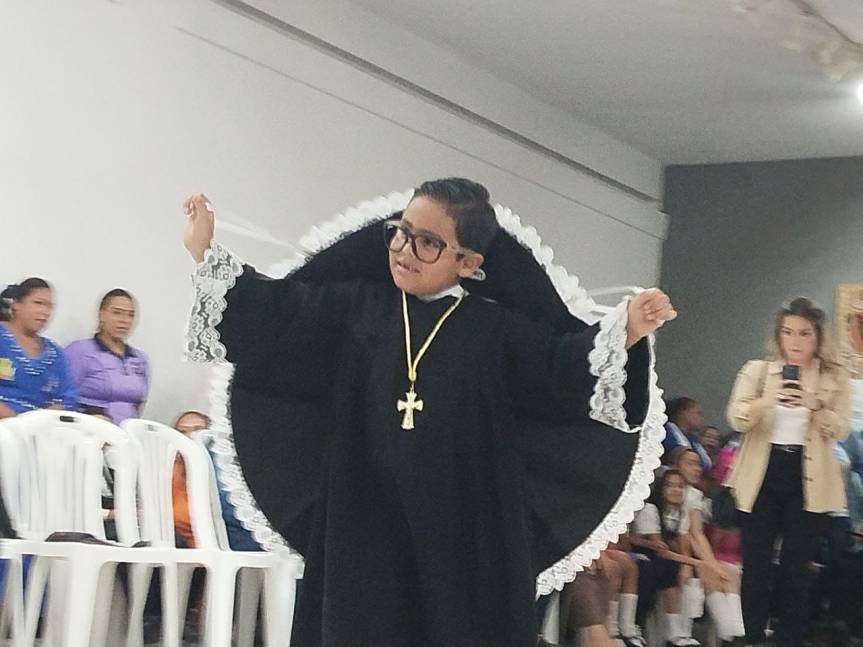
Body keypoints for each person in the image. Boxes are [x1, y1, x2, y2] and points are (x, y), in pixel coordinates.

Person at [181, 179, 677, 646]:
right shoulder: (357, 305)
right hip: (364, 514)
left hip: (463, 525)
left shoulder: (495, 329)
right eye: (400, 233)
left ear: (468, 262)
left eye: (427, 243)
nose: (404, 250)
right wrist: (205, 252)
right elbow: (278, 314)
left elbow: (564, 367)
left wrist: (627, 330)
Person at [726, 297, 850, 647]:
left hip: (808, 478)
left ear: (818, 336)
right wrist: (769, 399)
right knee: (756, 564)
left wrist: (814, 405)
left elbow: (840, 429)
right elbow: (736, 417)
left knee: (797, 567)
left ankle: (788, 638)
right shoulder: (758, 371)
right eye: (788, 332)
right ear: (778, 335)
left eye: (804, 333)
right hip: (762, 474)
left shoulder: (833, 378)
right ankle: (752, 637)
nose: (795, 341)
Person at [630, 469, 701, 647]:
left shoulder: (680, 514)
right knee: (670, 568)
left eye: (680, 486)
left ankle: (683, 632)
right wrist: (697, 563)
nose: (676, 490)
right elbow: (659, 548)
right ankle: (672, 633)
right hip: (645, 555)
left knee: (687, 574)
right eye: (670, 486)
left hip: (662, 556)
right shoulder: (651, 509)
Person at [64, 289, 149, 424]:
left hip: (126, 430)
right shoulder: (80, 351)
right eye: (117, 313)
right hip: (88, 427)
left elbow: (139, 404)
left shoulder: (139, 359)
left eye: (130, 315)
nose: (124, 320)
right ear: (101, 315)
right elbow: (62, 399)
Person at [0, 279, 77, 417]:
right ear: (16, 304)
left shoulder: (54, 353)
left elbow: (68, 398)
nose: (45, 312)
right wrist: (13, 418)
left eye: (49, 307)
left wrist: (39, 419)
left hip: (40, 425)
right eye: (38, 303)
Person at [663, 397, 712, 472]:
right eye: (697, 413)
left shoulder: (693, 439)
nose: (701, 418)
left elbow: (705, 464)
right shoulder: (666, 433)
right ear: (683, 413)